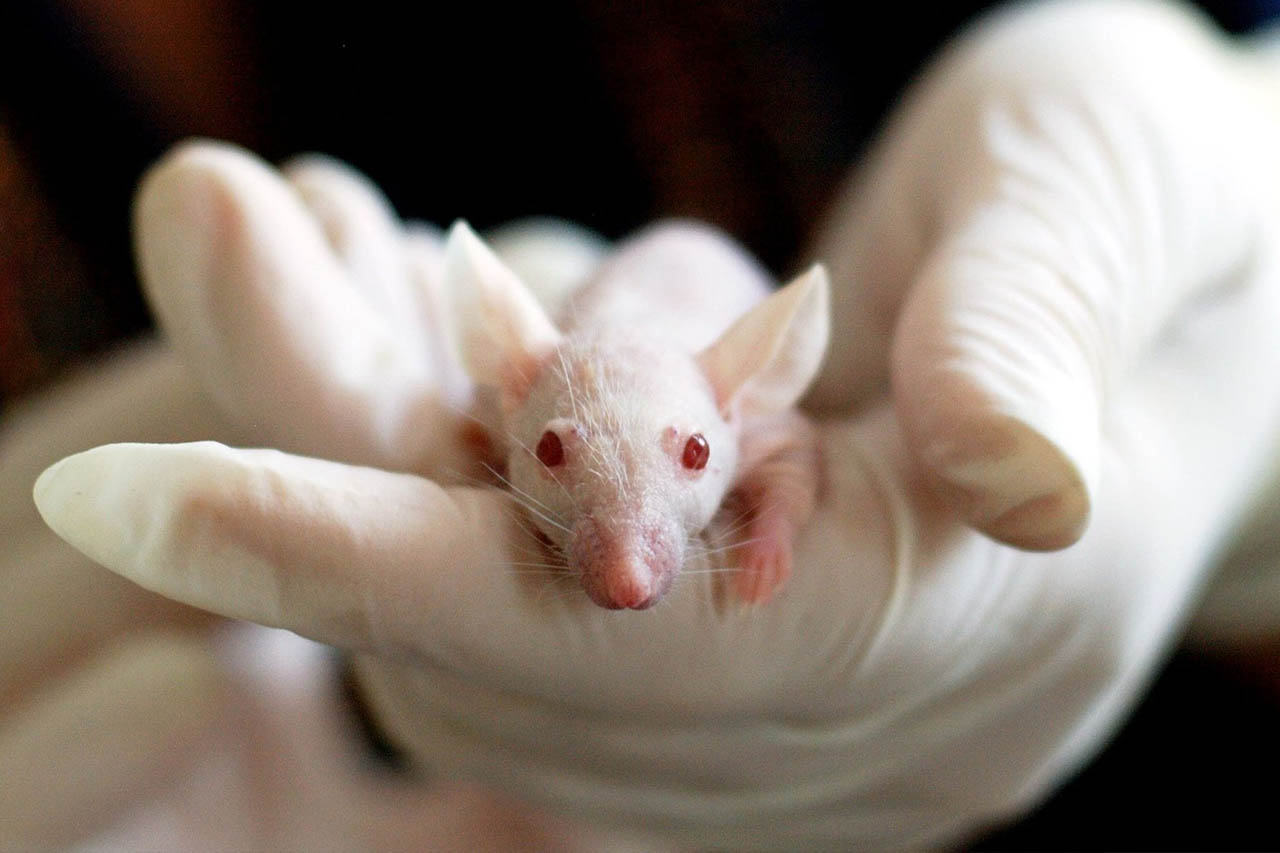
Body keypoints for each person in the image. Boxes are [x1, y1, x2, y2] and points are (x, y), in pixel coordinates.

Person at [6, 0, 1280, 846]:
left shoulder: (745, 406)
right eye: (550, 454)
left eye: (693, 462)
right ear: (504, 381)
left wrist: (1239, 440)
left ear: (751, 384)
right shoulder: (526, 391)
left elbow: (780, 457)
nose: (625, 574)